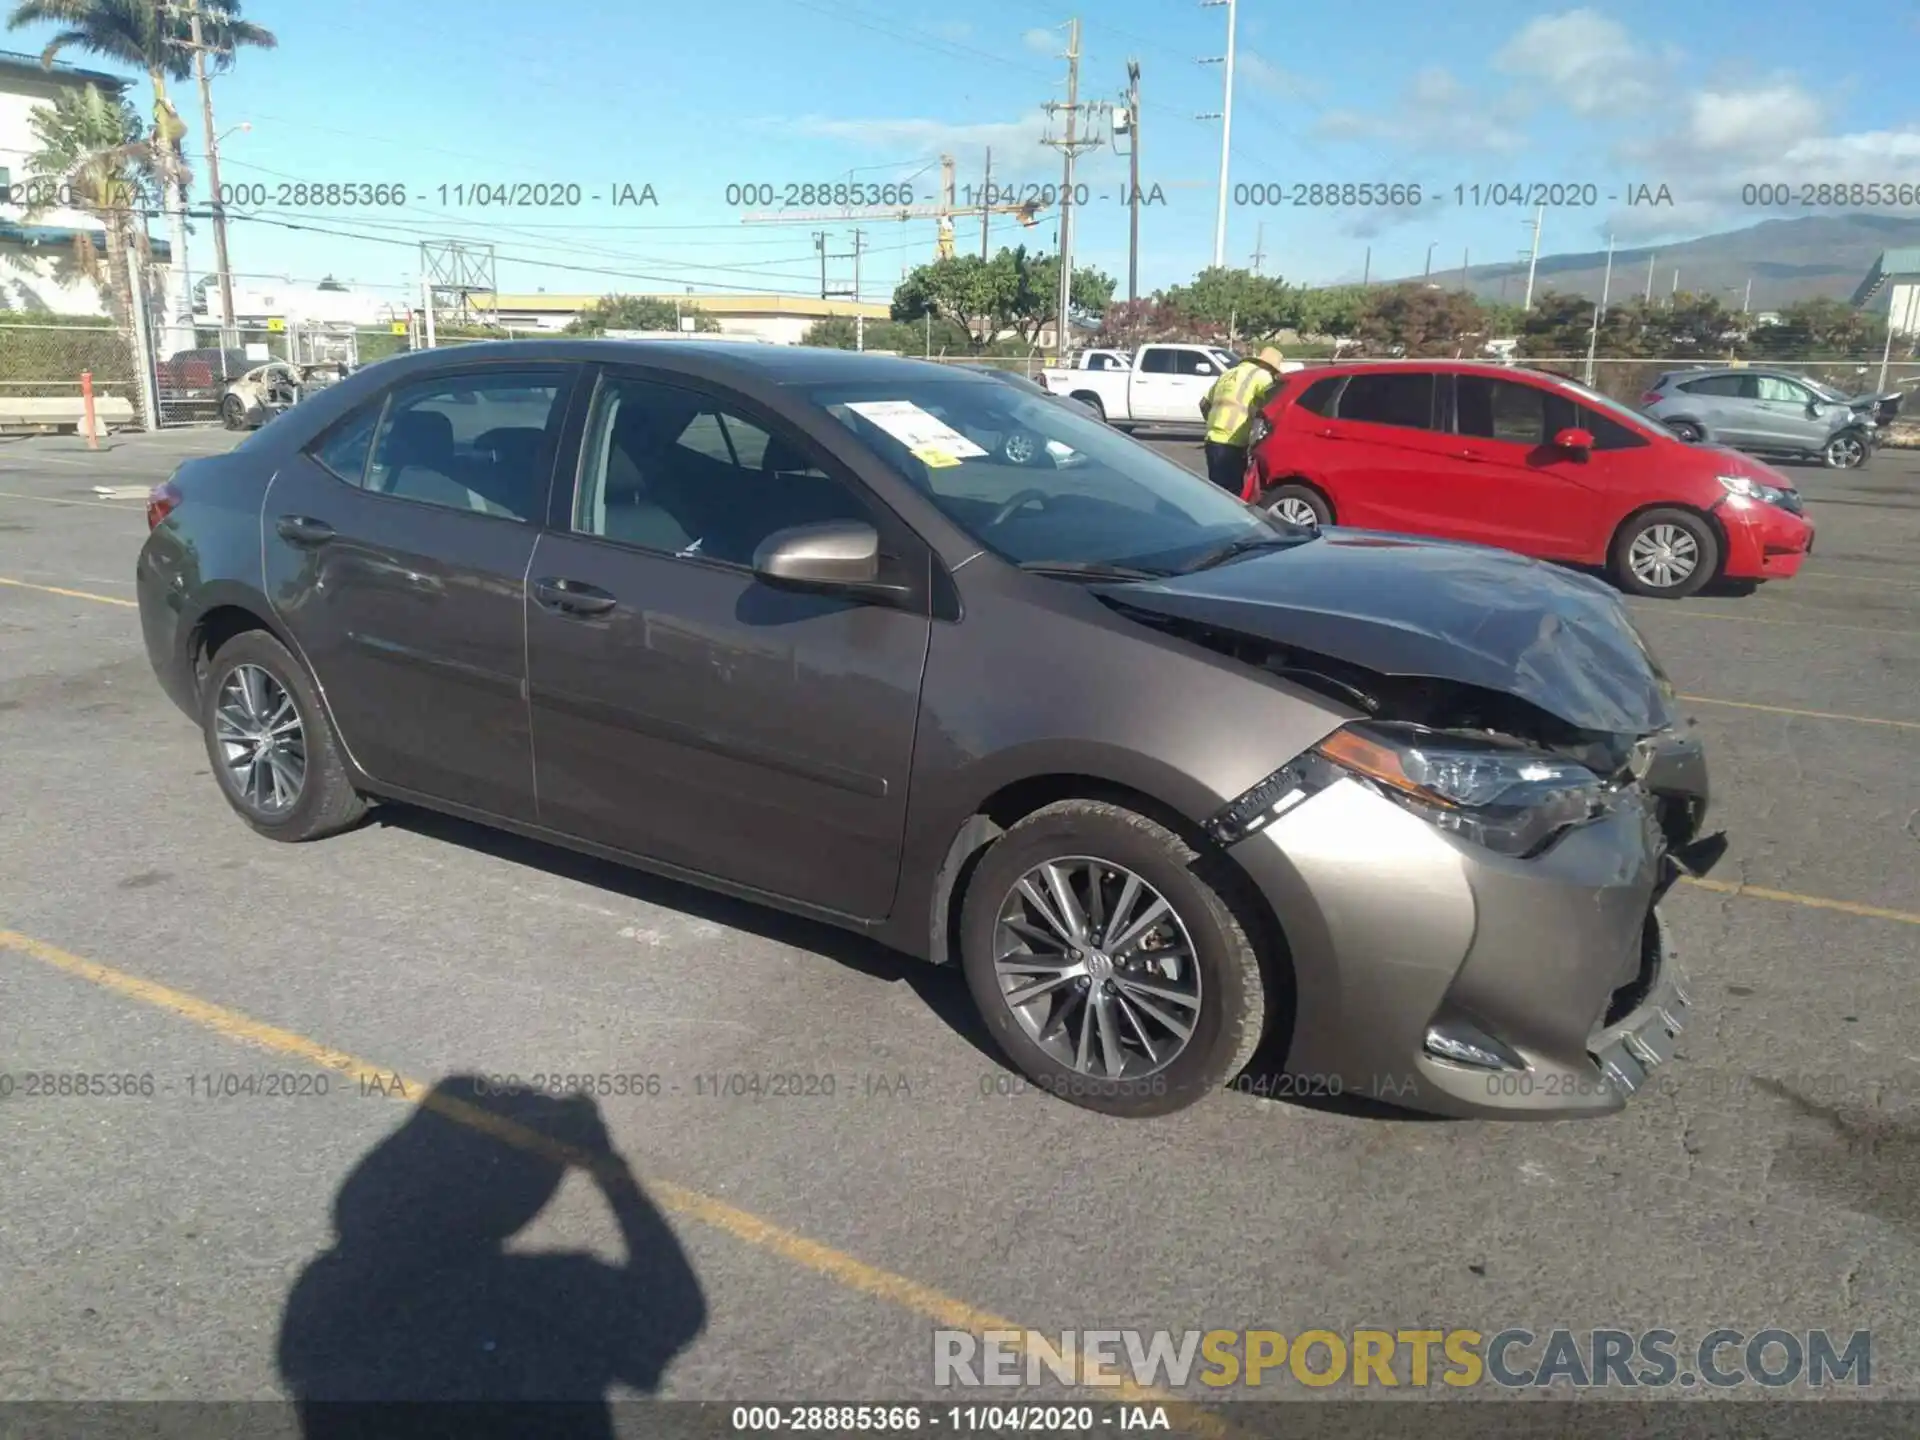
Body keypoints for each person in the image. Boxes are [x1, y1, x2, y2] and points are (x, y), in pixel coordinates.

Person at [1200, 346, 1287, 494]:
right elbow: (1276, 401)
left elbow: (1204, 403)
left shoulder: (1228, 374)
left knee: (1217, 491)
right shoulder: (1262, 376)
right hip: (1232, 441)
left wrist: (1213, 423)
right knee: (1232, 493)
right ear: (1269, 367)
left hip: (1212, 439)